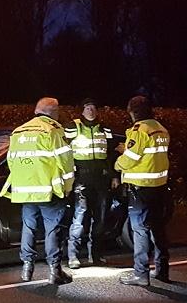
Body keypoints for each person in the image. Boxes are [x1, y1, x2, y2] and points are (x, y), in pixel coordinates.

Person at [0, 97, 75, 285]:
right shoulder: (53, 130)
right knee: (53, 230)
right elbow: (65, 162)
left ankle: (27, 268)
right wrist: (67, 187)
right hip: (49, 191)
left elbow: (11, 161)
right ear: (54, 112)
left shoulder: (18, 132)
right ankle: (54, 271)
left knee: (29, 228)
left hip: (24, 191)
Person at [115, 95, 172, 286]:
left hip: (141, 189)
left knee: (139, 231)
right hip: (159, 187)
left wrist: (118, 163)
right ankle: (162, 270)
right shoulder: (160, 128)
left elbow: (131, 158)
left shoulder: (139, 130)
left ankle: (141, 273)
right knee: (158, 228)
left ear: (133, 111)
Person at [64, 98, 120, 269]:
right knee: (79, 217)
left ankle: (95, 255)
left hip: (101, 180)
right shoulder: (72, 128)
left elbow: (111, 154)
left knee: (100, 219)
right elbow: (64, 152)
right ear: (82, 111)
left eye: (93, 107)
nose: (91, 110)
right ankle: (73, 255)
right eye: (87, 107)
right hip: (81, 178)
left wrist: (114, 176)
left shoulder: (105, 130)